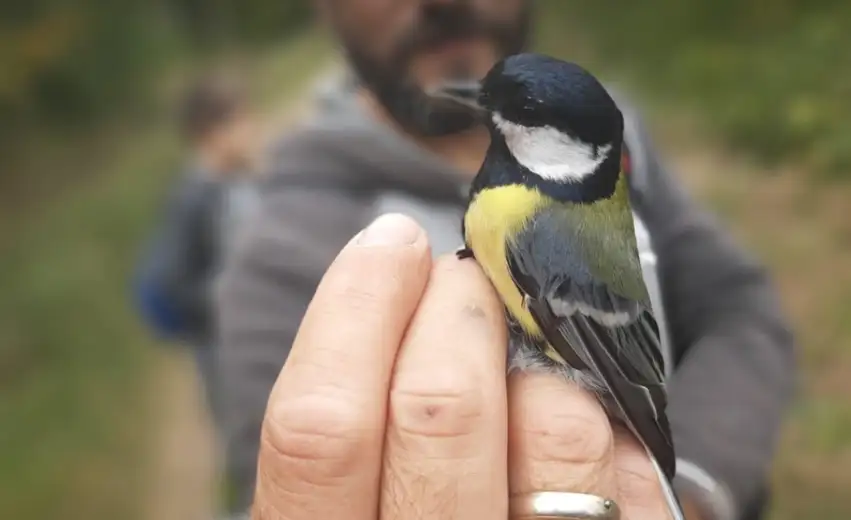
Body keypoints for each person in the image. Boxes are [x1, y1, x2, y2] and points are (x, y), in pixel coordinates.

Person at [215, 1, 796, 519]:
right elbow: (288, 478)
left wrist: (682, 489)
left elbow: (736, 311)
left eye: (519, 107)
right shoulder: (284, 252)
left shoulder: (603, 163)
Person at [133, 74, 261, 428]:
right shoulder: (193, 197)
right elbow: (176, 282)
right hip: (223, 348)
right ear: (212, 131)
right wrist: (231, 297)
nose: (253, 128)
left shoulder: (238, 179)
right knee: (247, 432)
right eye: (242, 119)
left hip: (250, 336)